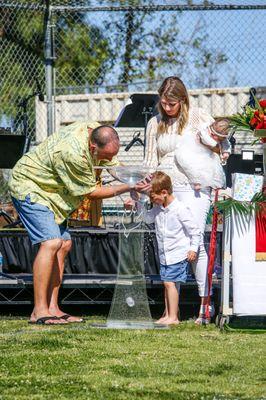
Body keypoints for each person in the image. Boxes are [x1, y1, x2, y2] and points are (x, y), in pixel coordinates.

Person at [8, 122, 133, 325]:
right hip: (30, 186)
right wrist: (128, 186)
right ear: (93, 148)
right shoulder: (72, 152)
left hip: (52, 192)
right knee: (51, 242)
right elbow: (90, 193)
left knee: (64, 244)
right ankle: (38, 311)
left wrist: (137, 178)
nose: (110, 159)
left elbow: (112, 165)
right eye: (106, 155)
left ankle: (52, 308)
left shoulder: (95, 131)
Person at [143, 76, 228, 324]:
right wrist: (143, 190)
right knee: (169, 245)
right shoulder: (154, 123)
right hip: (165, 190)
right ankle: (172, 312)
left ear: (183, 99)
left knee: (195, 243)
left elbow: (221, 144)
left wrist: (216, 157)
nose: (168, 108)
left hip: (194, 187)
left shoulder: (199, 116)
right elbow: (150, 160)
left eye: (172, 103)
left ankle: (205, 304)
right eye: (164, 103)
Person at [143, 172, 201, 325]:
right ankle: (168, 314)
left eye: (153, 196)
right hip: (165, 255)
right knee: (167, 284)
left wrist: (193, 249)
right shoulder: (158, 208)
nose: (152, 200)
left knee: (170, 283)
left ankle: (173, 317)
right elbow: (146, 218)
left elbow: (195, 231)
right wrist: (137, 203)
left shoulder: (180, 209)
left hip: (178, 253)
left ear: (164, 192)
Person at [175, 117, 231, 191]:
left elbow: (226, 143)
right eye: (216, 137)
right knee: (194, 166)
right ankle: (196, 182)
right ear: (212, 131)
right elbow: (205, 140)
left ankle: (216, 184)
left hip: (208, 154)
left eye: (220, 139)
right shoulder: (204, 130)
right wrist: (215, 144)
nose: (217, 140)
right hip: (196, 150)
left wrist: (226, 151)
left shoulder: (222, 138)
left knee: (214, 168)